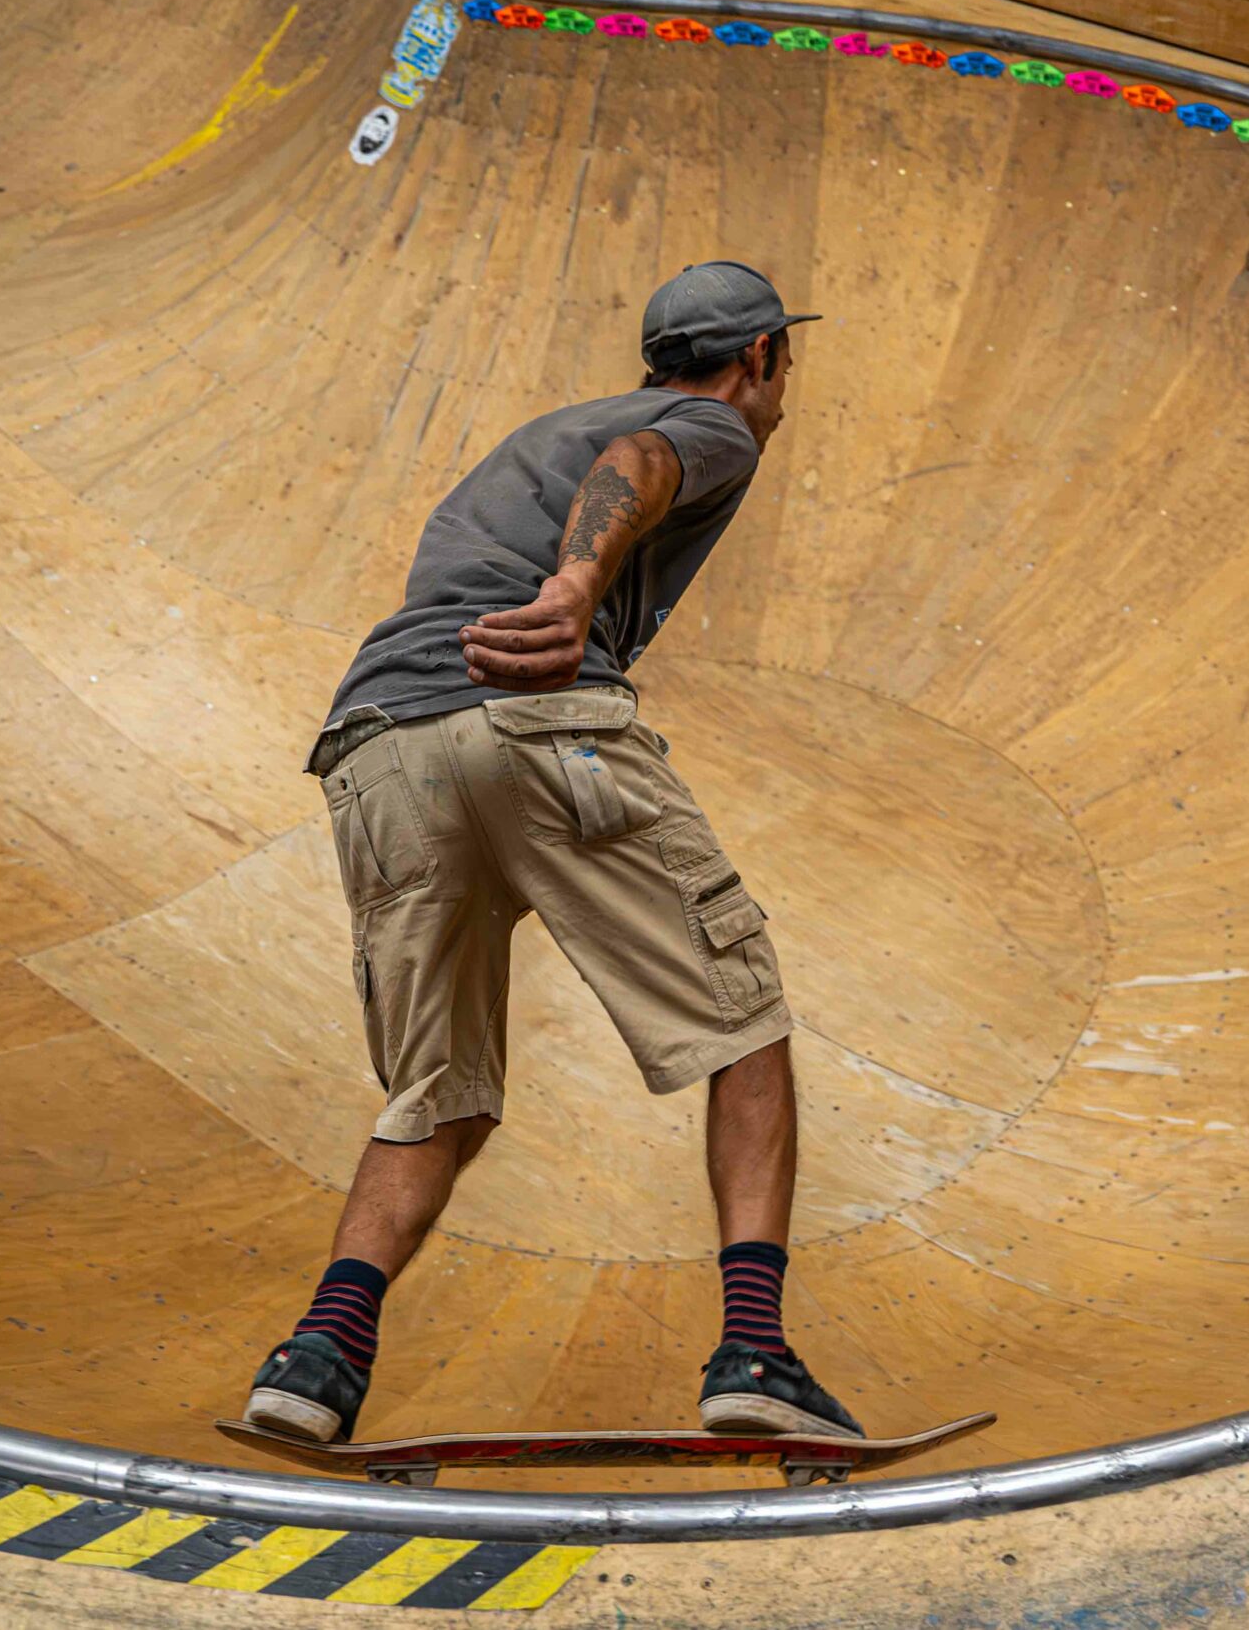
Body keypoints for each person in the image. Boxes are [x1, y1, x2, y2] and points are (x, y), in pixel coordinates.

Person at [242, 262, 861, 1446]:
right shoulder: (709, 424)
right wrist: (578, 583)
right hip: (536, 720)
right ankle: (755, 1351)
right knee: (739, 1024)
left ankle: (316, 1360)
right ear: (761, 355)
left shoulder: (537, 436)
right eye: (783, 365)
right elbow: (643, 463)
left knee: (436, 1095)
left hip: (380, 748)